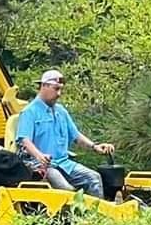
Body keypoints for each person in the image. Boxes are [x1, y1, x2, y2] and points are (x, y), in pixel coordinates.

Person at [15, 69, 115, 199]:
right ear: (44, 86)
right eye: (56, 89)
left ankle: (96, 216)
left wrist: (94, 146)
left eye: (61, 89)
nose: (59, 94)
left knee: (93, 178)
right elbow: (24, 140)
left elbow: (76, 135)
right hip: (41, 165)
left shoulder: (61, 111)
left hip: (64, 162)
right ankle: (69, 218)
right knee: (66, 190)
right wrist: (39, 156)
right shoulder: (30, 112)